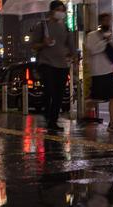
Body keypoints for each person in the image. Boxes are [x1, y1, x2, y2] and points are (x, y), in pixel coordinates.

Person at [31, 1, 75, 131]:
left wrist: (73, 56)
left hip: (62, 65)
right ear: (51, 11)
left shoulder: (66, 27)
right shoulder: (42, 26)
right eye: (58, 9)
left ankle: (53, 120)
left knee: (59, 95)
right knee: (49, 90)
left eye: (63, 10)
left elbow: (71, 46)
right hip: (47, 63)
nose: (61, 12)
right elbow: (34, 45)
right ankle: (47, 113)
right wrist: (44, 43)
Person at [85, 13, 113, 133]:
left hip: (109, 70)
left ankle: (112, 123)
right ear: (100, 22)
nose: (108, 22)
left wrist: (111, 43)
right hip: (97, 72)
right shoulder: (92, 35)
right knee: (94, 98)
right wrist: (105, 41)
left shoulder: (111, 35)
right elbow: (93, 50)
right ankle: (87, 117)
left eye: (109, 20)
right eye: (105, 20)